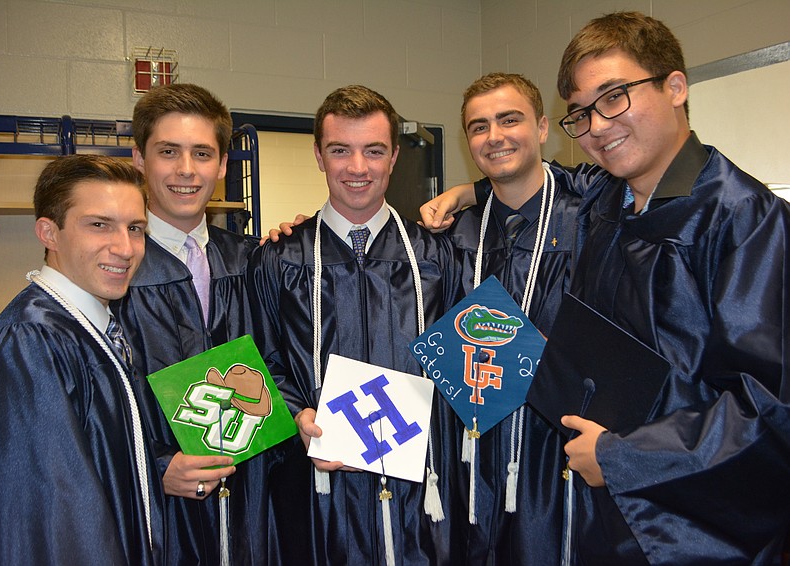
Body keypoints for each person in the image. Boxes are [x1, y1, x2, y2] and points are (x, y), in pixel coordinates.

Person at [553, 12, 790, 565]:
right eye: (581, 113)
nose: (598, 126)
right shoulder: (607, 208)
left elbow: (771, 410)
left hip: (695, 537)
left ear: (676, 87)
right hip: (602, 519)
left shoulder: (746, 222)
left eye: (614, 97)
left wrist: (620, 457)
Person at [248, 85, 463, 565]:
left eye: (374, 151)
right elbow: (264, 361)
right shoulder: (280, 257)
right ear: (319, 157)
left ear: (394, 159)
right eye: (340, 150)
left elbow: (462, 365)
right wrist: (294, 414)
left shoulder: (437, 255)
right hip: (322, 485)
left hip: (421, 484)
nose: (358, 168)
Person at [0, 155, 164, 564]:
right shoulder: (30, 345)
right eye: (99, 224)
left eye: (135, 228)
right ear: (49, 232)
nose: (125, 247)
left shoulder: (91, 329)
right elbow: (53, 527)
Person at [111, 83, 286, 565]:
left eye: (202, 154)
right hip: (157, 512)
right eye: (168, 152)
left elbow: (283, 366)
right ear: (140, 159)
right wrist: (154, 467)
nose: (186, 170)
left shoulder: (254, 261)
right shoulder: (113, 272)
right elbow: (91, 407)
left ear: (223, 165)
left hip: (250, 504)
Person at [443, 72, 601, 565]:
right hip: (471, 447)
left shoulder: (592, 219)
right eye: (479, 126)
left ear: (543, 128)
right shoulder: (450, 235)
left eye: (509, 120)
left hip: (559, 449)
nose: (494, 136)